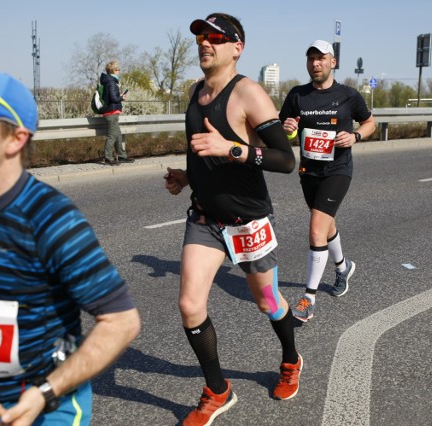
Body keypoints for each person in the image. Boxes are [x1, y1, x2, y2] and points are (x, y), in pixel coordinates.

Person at [0, 71, 141, 425]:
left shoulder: (51, 219)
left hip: (46, 406)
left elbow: (121, 321)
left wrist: (46, 392)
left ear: (15, 140)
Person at [164, 13, 302, 426]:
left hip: (247, 222)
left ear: (237, 47)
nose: (205, 43)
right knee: (190, 305)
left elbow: (285, 160)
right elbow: (201, 151)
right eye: (201, 37)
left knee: (268, 302)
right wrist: (186, 176)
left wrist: (234, 149)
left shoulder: (249, 95)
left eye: (215, 37)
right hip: (205, 219)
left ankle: (291, 359)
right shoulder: (195, 92)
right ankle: (217, 390)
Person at [279, 40, 376, 322]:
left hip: (338, 169)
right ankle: (343, 267)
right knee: (327, 224)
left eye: (321, 58)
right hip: (309, 171)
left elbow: (370, 123)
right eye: (311, 59)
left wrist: (355, 136)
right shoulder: (297, 95)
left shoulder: (348, 95)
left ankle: (308, 299)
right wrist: (288, 130)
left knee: (316, 229)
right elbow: (284, 132)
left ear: (333, 62)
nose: (315, 63)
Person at [101, 60, 134, 165]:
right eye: (117, 69)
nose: (119, 70)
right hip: (111, 113)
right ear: (113, 71)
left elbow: (112, 97)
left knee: (118, 135)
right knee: (112, 136)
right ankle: (108, 157)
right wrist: (121, 97)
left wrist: (118, 96)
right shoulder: (111, 82)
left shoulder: (110, 81)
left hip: (112, 112)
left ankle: (122, 156)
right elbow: (114, 98)